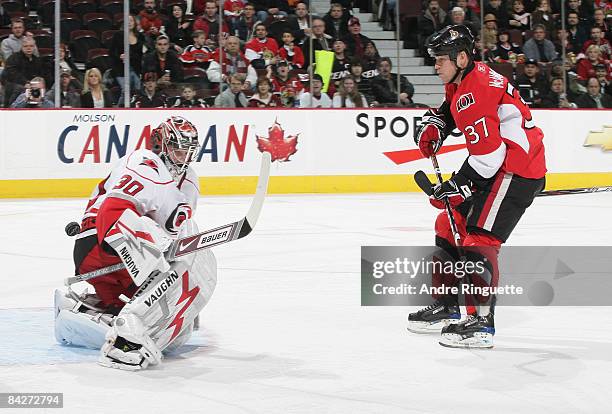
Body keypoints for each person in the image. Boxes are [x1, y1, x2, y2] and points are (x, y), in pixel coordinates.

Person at [408, 25, 546, 349]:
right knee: (447, 222)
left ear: (461, 57)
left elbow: (489, 156)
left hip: (517, 169)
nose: (436, 66)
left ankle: (481, 324)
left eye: (441, 59)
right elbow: (452, 111)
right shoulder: (462, 80)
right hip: (501, 165)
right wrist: (438, 124)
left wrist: (458, 186)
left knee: (478, 238)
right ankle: (447, 305)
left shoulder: (477, 89)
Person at [54, 116, 217, 370]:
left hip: (119, 265)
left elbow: (177, 226)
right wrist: (158, 256)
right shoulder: (143, 162)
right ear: (161, 145)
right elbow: (113, 213)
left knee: (173, 334)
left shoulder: (189, 180)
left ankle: (80, 310)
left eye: (189, 152)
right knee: (149, 232)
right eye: (177, 150)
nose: (183, 158)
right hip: (98, 244)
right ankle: (123, 344)